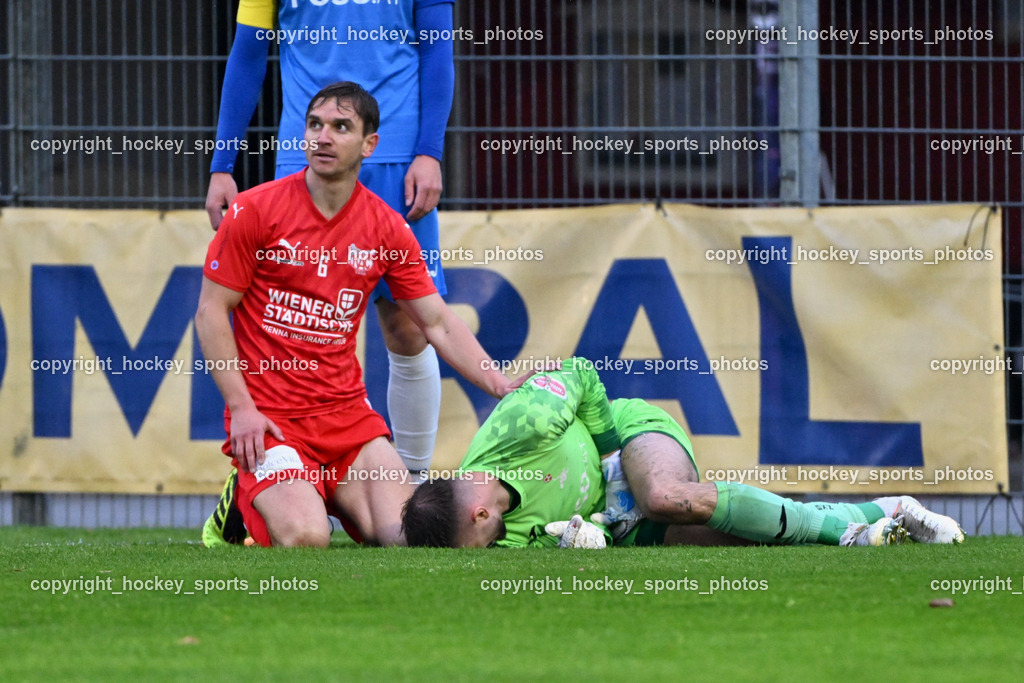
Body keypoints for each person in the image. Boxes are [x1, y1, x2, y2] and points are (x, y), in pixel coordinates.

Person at [196, 82, 509, 548]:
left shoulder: (386, 226)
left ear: (369, 145)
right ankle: (240, 505)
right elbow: (210, 312)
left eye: (341, 127)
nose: (323, 137)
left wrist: (499, 383)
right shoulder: (255, 210)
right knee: (306, 540)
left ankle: (303, 491)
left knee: (408, 539)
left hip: (348, 423)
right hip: (272, 421)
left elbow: (437, 323)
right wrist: (242, 409)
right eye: (315, 125)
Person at [204, 0, 454, 477]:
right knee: (293, 329)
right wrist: (222, 164)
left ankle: (413, 485)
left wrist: (429, 151)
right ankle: (279, 477)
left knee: (409, 327)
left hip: (397, 159)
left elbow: (437, 50)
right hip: (304, 164)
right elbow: (248, 54)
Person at [401, 357, 966, 549]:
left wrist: (603, 451)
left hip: (627, 438)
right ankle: (887, 512)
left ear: (476, 510)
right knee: (746, 538)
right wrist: (581, 544)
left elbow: (579, 373)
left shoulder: (520, 425)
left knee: (669, 497)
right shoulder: (494, 534)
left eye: (474, 540)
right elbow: (556, 545)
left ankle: (846, 536)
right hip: (617, 520)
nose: (489, 548)